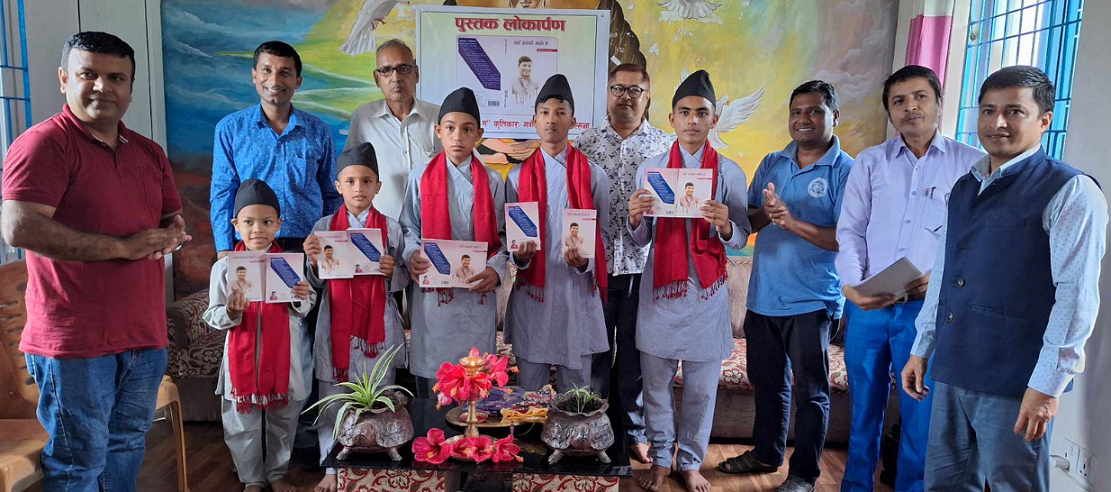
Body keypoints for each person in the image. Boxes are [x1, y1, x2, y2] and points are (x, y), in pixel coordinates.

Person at [901, 66, 1107, 492]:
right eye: (988, 110)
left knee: (1014, 485)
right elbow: (945, 272)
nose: (997, 122)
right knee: (944, 484)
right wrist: (922, 347)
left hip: (1017, 378)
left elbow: (1076, 297)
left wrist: (1048, 385)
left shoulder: (1070, 191)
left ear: (1044, 120)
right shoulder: (966, 185)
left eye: (1014, 111)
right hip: (954, 365)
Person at [0, 31, 189, 492]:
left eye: (116, 77)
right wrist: (124, 247)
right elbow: (19, 228)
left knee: (127, 445)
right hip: (74, 340)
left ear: (130, 87)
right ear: (65, 79)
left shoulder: (148, 152)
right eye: (89, 74)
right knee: (78, 462)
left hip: (143, 333)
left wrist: (173, 233)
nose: (103, 86)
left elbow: (171, 216)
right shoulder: (43, 144)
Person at [835, 65, 986, 492]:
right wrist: (852, 286)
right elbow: (850, 230)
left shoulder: (971, 165)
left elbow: (976, 242)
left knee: (921, 413)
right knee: (863, 410)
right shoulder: (871, 162)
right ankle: (855, 485)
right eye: (899, 101)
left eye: (920, 97)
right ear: (890, 110)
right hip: (869, 305)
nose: (910, 107)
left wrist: (939, 279)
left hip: (929, 311)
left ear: (939, 102)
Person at [715, 81, 853, 492]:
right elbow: (751, 219)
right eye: (796, 112)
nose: (803, 119)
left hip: (812, 301)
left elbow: (844, 239)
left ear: (833, 116)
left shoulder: (846, 170)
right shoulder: (774, 162)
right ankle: (766, 453)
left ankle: (804, 474)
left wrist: (790, 221)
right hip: (763, 298)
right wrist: (760, 213)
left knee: (811, 393)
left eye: (814, 111)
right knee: (768, 383)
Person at [627, 70, 752, 492]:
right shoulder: (652, 170)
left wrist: (726, 225)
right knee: (655, 383)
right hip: (660, 290)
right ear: (672, 119)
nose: (692, 120)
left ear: (714, 120)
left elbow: (741, 236)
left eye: (701, 113)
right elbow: (641, 238)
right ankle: (661, 458)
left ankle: (692, 461)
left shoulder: (729, 172)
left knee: (701, 388)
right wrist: (635, 218)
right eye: (684, 112)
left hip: (706, 293)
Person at [577, 63, 674, 464]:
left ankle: (633, 431)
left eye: (635, 90)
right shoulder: (584, 144)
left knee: (635, 356)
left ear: (648, 97)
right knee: (595, 354)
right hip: (595, 270)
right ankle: (593, 429)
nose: (626, 97)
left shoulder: (665, 147)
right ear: (607, 93)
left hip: (643, 269)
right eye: (618, 89)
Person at [302, 143, 409, 492]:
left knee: (380, 400)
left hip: (379, 326)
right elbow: (315, 282)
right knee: (333, 400)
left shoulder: (391, 229)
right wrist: (313, 261)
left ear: (378, 186)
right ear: (338, 186)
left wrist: (393, 271)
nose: (358, 188)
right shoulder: (323, 227)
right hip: (335, 321)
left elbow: (405, 277)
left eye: (366, 181)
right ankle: (331, 468)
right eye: (350, 181)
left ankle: (375, 464)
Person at [203, 179, 316, 492]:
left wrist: (300, 297)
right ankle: (251, 478)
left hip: (285, 358)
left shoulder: (290, 265)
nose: (257, 230)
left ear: (278, 224)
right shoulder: (224, 269)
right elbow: (212, 315)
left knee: (283, 421)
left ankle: (277, 474)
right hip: (242, 361)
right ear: (236, 225)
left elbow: (306, 306)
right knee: (242, 424)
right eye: (249, 222)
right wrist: (231, 312)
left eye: (266, 222)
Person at [504, 74, 611, 391]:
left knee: (576, 394)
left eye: (560, 112)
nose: (552, 119)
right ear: (534, 121)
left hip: (576, 292)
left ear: (573, 122)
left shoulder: (594, 175)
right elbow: (508, 237)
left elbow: (603, 237)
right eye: (545, 112)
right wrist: (520, 257)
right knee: (529, 393)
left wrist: (585, 261)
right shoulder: (516, 177)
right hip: (533, 295)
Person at [400, 87, 507, 397]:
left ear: (479, 135)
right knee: (434, 386)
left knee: (475, 385)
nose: (457, 137)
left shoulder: (492, 181)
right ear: (438, 131)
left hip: (476, 292)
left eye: (467, 129)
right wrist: (412, 254)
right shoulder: (419, 177)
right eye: (450, 128)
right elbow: (407, 228)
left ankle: (472, 429)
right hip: (434, 299)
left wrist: (495, 269)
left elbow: (503, 236)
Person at [210, 41, 339, 256]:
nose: (274, 80)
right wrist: (224, 248)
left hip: (307, 246)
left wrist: (327, 241)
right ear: (254, 75)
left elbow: (332, 193)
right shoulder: (230, 129)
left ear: (297, 81)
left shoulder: (318, 130)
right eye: (267, 70)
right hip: (251, 245)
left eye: (284, 73)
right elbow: (223, 192)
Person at [344, 39, 441, 221]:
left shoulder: (439, 117)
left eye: (403, 68)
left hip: (432, 225)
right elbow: (349, 174)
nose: (395, 78)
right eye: (386, 70)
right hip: (380, 227)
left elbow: (464, 169)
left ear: (416, 74)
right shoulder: (363, 118)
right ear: (377, 79)